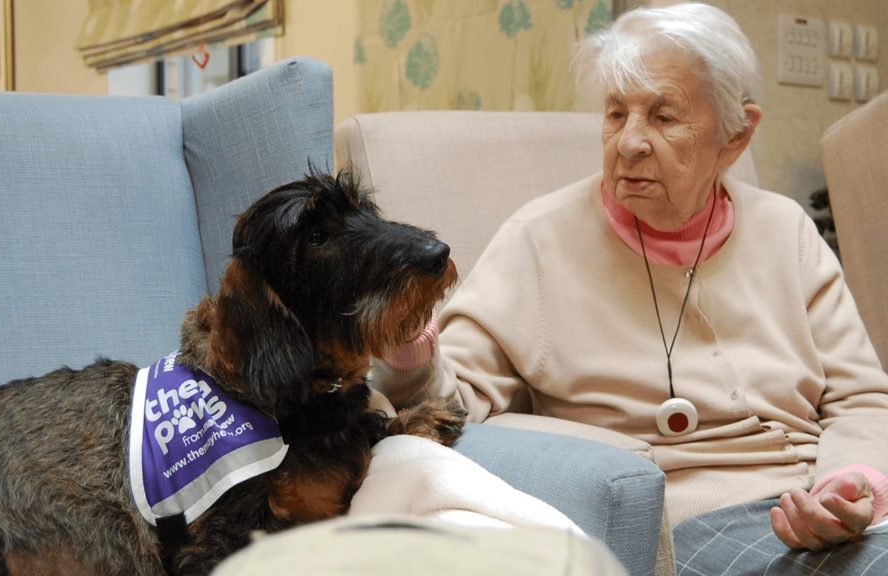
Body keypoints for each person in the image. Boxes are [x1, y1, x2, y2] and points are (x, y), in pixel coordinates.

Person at [371, 3, 888, 574]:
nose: (629, 143)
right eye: (616, 114)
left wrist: (850, 484)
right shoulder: (539, 240)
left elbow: (860, 397)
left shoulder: (786, 229)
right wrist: (408, 341)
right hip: (687, 520)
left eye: (665, 117)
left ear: (737, 136)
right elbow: (448, 403)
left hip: (828, 506)